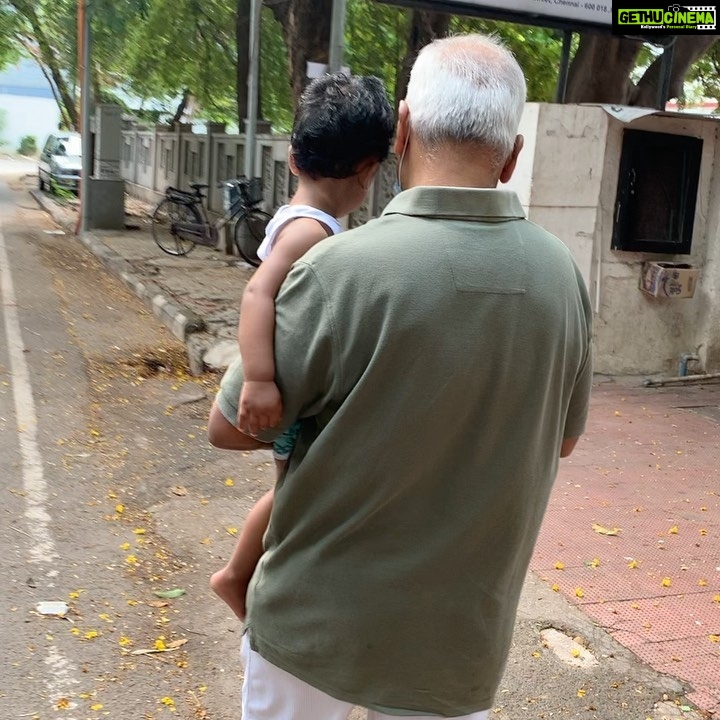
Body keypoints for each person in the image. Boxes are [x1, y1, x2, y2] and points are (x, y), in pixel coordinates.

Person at [208, 32, 593, 720]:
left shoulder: (338, 269)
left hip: (312, 626)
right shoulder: (562, 279)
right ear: (512, 156)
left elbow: (230, 426)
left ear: (405, 130)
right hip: (456, 645)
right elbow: (561, 441)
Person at [209, 71, 394, 621]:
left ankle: (241, 574)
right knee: (289, 492)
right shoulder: (313, 233)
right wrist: (261, 378)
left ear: (293, 160)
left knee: (289, 490)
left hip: (287, 372)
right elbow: (257, 293)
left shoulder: (300, 220)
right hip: (283, 382)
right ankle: (236, 576)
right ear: (368, 172)